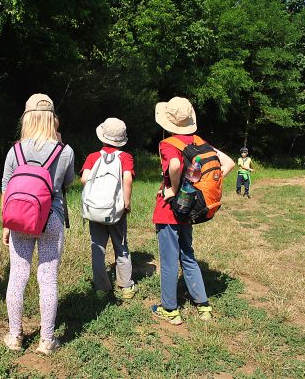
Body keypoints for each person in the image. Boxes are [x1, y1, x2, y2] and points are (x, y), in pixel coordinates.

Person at [1, 93, 75, 355]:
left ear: (27, 118)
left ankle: (14, 336)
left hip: (19, 218)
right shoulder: (64, 151)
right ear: (52, 119)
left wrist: (5, 224)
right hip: (51, 218)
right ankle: (46, 340)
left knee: (17, 277)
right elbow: (67, 183)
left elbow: (6, 186)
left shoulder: (16, 149)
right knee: (48, 278)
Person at [151, 97, 235, 325]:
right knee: (187, 254)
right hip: (189, 208)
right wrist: (197, 189)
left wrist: (173, 189)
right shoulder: (199, 141)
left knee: (169, 260)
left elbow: (175, 166)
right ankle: (203, 305)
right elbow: (227, 162)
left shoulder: (168, 144)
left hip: (170, 210)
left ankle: (170, 309)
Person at [80, 118, 136, 300]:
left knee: (98, 248)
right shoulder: (125, 157)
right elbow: (127, 179)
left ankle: (101, 288)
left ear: (102, 137)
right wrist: (126, 203)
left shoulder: (93, 157)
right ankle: (126, 286)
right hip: (116, 211)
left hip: (95, 211)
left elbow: (83, 179)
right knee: (121, 246)